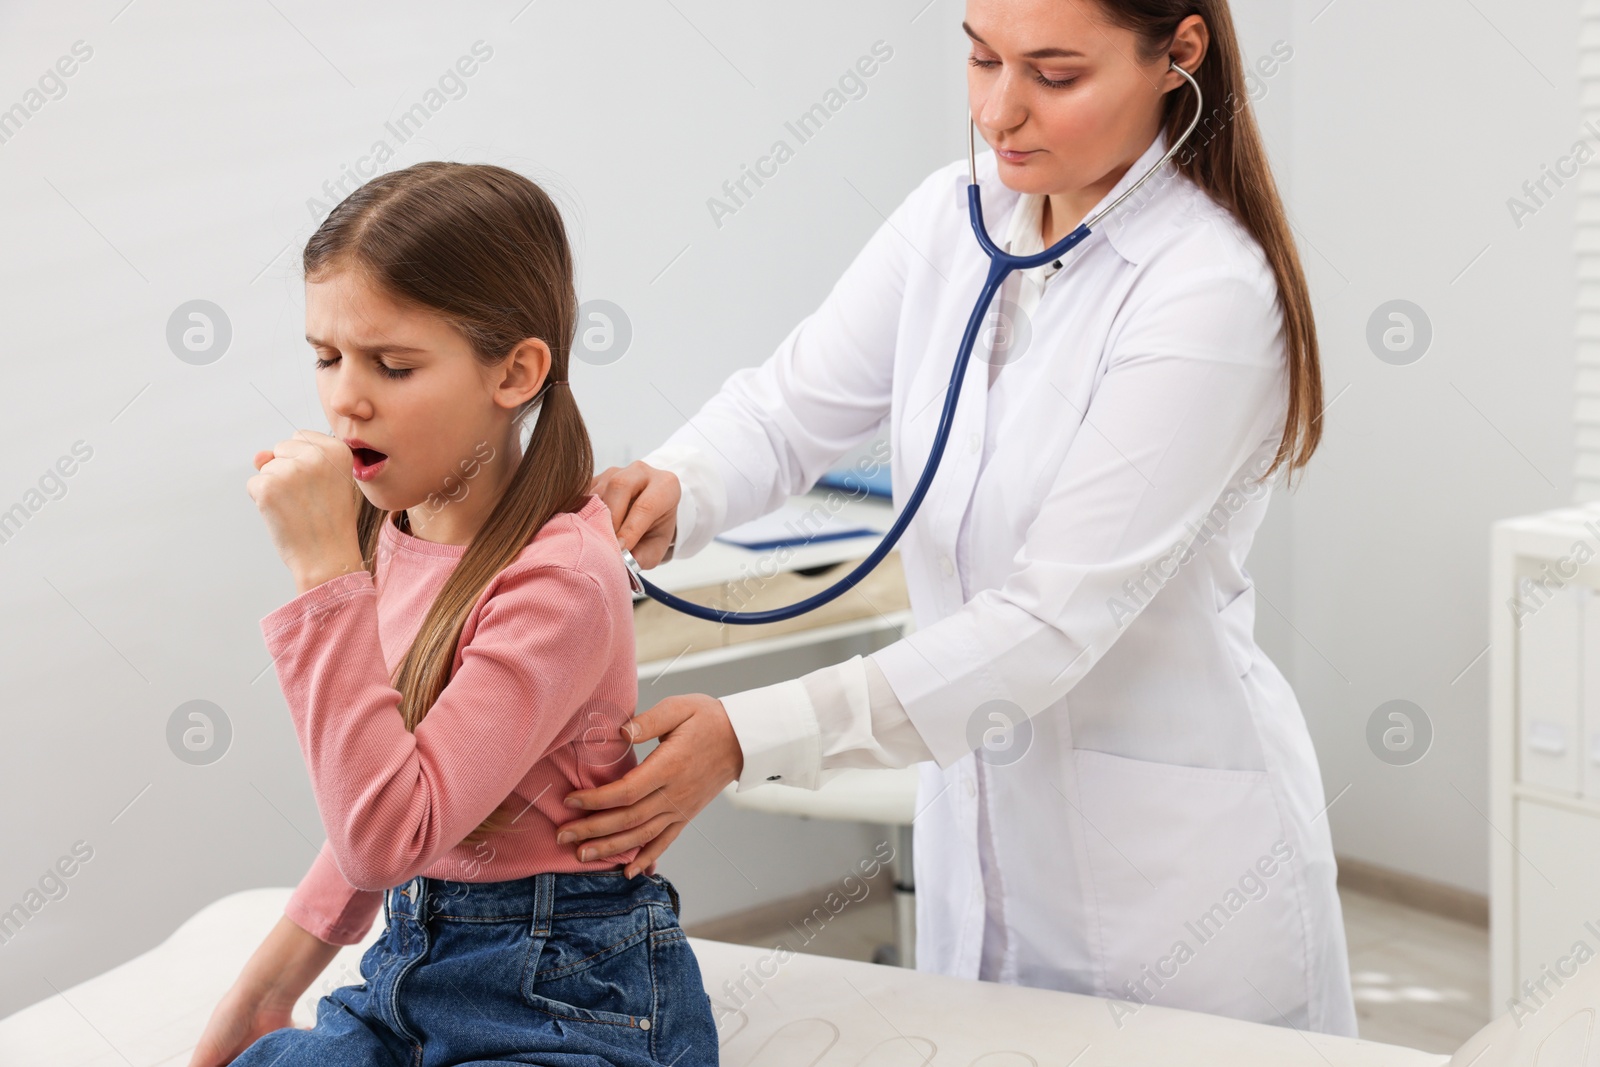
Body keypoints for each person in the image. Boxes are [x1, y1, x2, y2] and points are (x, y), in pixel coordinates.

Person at [558, 0, 1359, 1036]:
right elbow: (788, 410)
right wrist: (677, 485)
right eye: (980, 58)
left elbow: (1047, 622)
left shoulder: (1207, 289)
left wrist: (748, 732)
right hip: (976, 845)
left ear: (1180, 53)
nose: (997, 109)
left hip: (1173, 891)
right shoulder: (953, 218)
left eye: (1054, 75)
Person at [192, 162, 718, 1067]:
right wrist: (267, 989)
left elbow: (388, 835)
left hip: (572, 993)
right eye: (326, 356)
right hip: (416, 964)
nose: (345, 396)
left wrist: (326, 580)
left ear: (515, 372)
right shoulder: (391, 533)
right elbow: (382, 799)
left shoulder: (564, 582)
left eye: (393, 364)